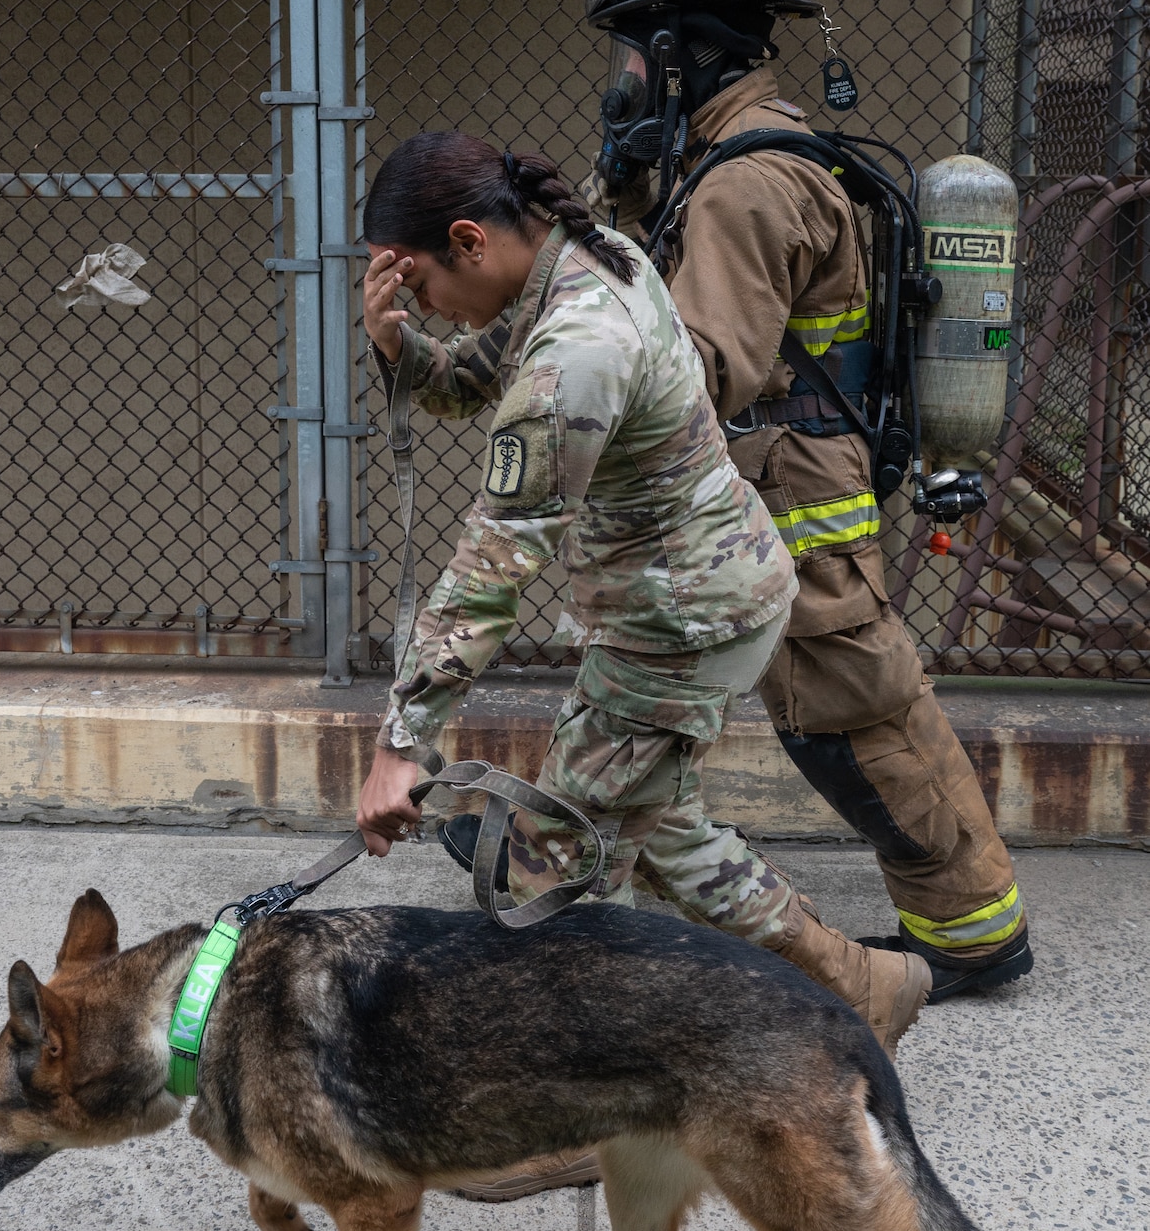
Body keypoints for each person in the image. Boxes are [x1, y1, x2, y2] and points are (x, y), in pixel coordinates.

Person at [355, 129, 932, 1063]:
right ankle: (862, 989)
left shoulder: (576, 350)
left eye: (416, 283)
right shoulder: (580, 257)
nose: (425, 304)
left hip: (680, 624)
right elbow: (466, 381)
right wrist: (399, 342)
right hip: (695, 599)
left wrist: (400, 744)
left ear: (468, 240)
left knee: (559, 860)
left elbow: (491, 567)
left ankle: (595, 1101)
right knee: (660, 835)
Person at [574, 0, 1032, 1003]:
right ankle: (568, 854)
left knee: (850, 718)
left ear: (679, 53)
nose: (624, 74)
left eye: (636, 49)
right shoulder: (713, 162)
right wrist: (626, 185)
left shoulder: (741, 183)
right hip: (767, 483)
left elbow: (698, 365)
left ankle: (969, 934)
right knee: (647, 680)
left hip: (792, 493)